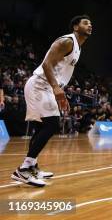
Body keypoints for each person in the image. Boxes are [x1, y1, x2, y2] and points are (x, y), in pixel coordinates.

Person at [11, 15, 92, 187]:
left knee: (43, 126)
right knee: (51, 125)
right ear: (76, 27)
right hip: (39, 85)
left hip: (48, 87)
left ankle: (31, 165)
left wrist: (58, 90)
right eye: (86, 23)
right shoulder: (67, 41)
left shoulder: (77, 47)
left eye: (91, 23)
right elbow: (47, 64)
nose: (90, 25)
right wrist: (56, 88)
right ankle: (23, 170)